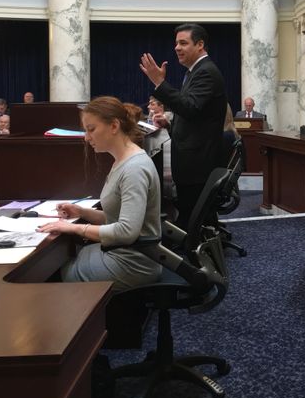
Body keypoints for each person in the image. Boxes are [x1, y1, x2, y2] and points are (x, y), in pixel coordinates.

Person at [37, 96, 161, 292]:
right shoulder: (122, 161)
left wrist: (77, 229)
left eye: (91, 129)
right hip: (123, 253)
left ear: (114, 126)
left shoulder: (134, 169)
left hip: (133, 263)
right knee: (61, 259)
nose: (86, 137)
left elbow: (126, 231)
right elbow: (117, 217)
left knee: (51, 271)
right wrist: (82, 213)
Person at [139, 23, 227, 230]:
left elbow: (190, 108)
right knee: (193, 214)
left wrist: (160, 84)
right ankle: (201, 243)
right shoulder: (195, 71)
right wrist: (169, 123)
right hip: (195, 157)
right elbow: (197, 115)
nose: (177, 48)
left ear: (200, 45)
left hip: (197, 161)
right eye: (176, 43)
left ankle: (197, 252)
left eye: (183, 43)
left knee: (194, 215)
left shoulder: (205, 72)